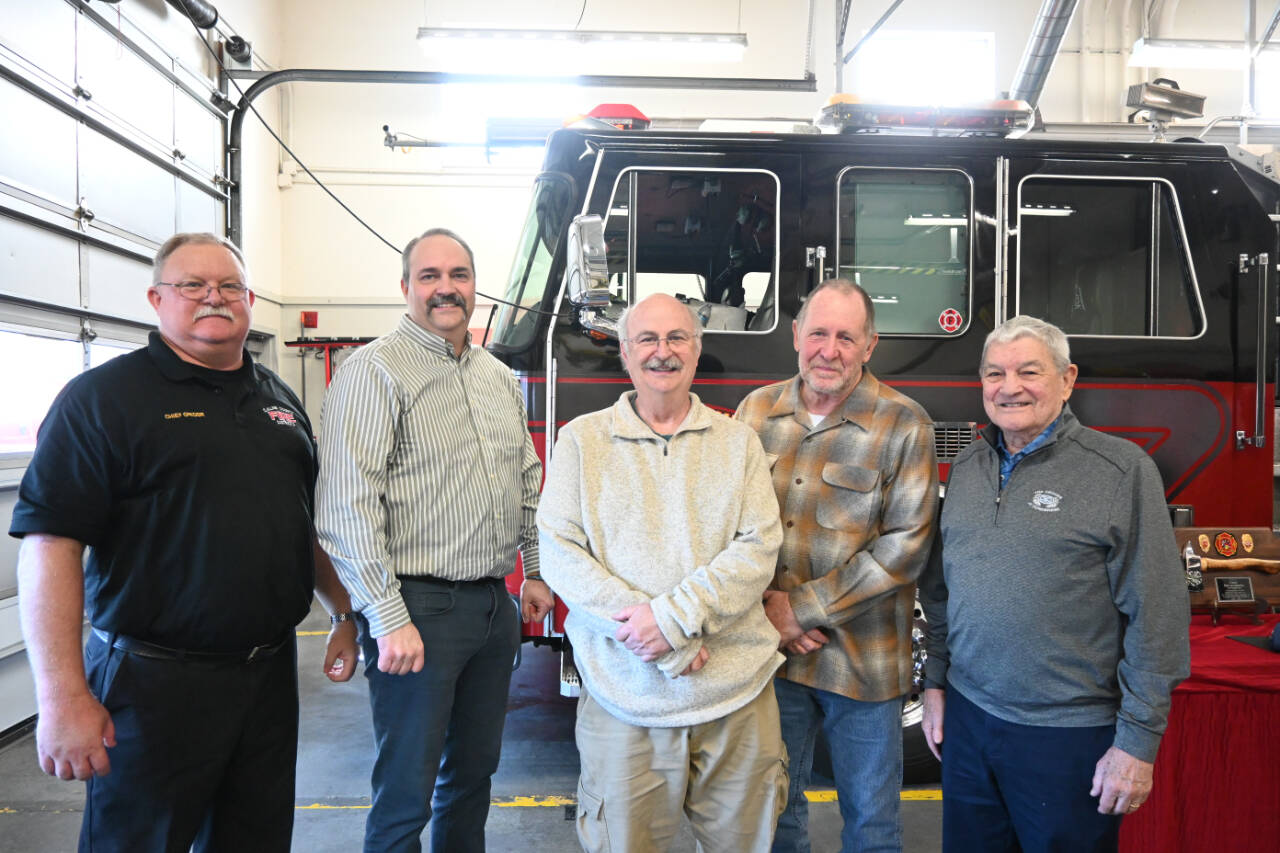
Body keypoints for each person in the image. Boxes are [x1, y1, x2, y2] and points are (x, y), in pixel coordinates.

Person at [9, 232, 359, 853]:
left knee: (256, 839)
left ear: (249, 299)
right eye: (192, 286)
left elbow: (301, 523)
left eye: (228, 286)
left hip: (268, 677)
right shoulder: (102, 401)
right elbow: (50, 546)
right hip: (152, 686)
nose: (213, 298)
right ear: (156, 298)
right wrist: (62, 697)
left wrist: (341, 611)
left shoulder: (278, 402)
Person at [315, 228, 552, 853]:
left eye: (459, 275)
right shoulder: (374, 371)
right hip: (416, 610)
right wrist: (388, 619)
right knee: (405, 792)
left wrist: (532, 570)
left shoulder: (497, 377)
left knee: (473, 780)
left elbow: (525, 480)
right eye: (429, 276)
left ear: (475, 287)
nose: (446, 288)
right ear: (405, 288)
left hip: (491, 607)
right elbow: (346, 508)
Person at [918, 315, 1191, 852]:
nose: (1009, 387)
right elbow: (942, 592)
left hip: (1069, 736)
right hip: (970, 724)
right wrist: (935, 684)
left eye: (1029, 371)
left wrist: (1136, 744)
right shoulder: (968, 466)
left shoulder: (1119, 471)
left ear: (1068, 380)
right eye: (994, 373)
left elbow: (1157, 614)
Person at [537, 293, 788, 852]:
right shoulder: (580, 441)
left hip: (736, 701)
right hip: (624, 701)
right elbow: (559, 554)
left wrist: (670, 621)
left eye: (677, 338)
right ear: (625, 354)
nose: (662, 352)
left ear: (696, 353)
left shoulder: (738, 443)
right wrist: (665, 642)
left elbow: (758, 548)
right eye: (647, 339)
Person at [736, 279, 939, 853]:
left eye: (846, 337)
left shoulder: (904, 424)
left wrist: (797, 610)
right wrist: (766, 612)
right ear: (796, 335)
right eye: (818, 333)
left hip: (864, 665)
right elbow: (727, 526)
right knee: (776, 815)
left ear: (870, 345)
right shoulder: (755, 412)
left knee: (872, 827)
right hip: (769, 658)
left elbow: (905, 548)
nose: (830, 350)